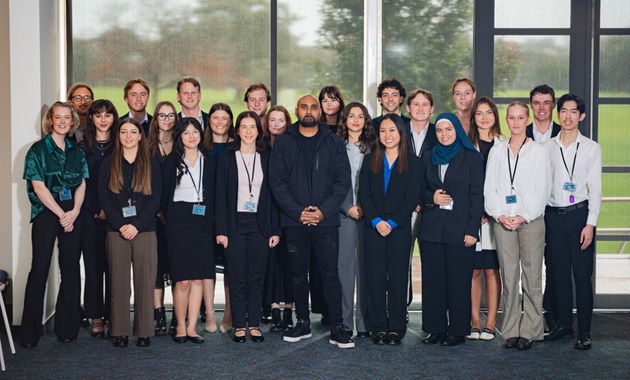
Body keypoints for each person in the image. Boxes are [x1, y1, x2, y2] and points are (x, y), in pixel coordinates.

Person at [269, 94, 354, 349]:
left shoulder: (334, 142)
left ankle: (338, 327)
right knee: (297, 274)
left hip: (326, 222)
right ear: (296, 110)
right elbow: (277, 183)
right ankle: (302, 323)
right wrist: (298, 213)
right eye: (304, 107)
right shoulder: (284, 142)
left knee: (330, 273)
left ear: (319, 112)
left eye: (313, 107)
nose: (309, 111)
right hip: (294, 222)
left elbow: (342, 182)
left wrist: (323, 212)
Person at [484, 101, 551, 350]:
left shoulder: (538, 151)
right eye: (511, 118)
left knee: (532, 277)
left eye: (520, 118)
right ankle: (511, 329)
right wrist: (500, 215)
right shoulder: (497, 151)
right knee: (509, 277)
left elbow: (541, 189)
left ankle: (532, 330)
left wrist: (522, 216)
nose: (515, 122)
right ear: (507, 120)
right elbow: (489, 187)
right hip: (502, 222)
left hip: (530, 221)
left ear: (527, 119)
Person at [21, 101, 88, 348]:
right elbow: (39, 187)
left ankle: (67, 329)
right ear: (50, 120)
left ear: (72, 122)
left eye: (66, 118)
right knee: (39, 269)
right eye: (57, 117)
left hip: (72, 212)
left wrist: (75, 211)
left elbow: (81, 183)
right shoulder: (37, 150)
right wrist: (62, 214)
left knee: (70, 269)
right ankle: (29, 334)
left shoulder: (76, 150)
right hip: (47, 213)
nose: (62, 121)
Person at [418, 112, 484, 347]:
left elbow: (477, 196)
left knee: (458, 282)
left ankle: (458, 330)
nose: (443, 134)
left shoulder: (471, 158)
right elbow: (419, 190)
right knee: (433, 283)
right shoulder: (427, 157)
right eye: (439, 130)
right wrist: (431, 196)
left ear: (457, 130)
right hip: (431, 230)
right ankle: (435, 329)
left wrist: (472, 230)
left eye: (448, 129)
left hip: (460, 230)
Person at [215, 111, 280, 343]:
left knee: (256, 277)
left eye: (253, 127)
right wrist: (221, 230)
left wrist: (274, 230)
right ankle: (239, 325)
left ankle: (254, 324)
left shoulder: (267, 157)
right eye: (244, 127)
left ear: (258, 131)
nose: (249, 131)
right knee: (237, 276)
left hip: (260, 224)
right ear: (237, 130)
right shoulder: (226, 157)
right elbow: (220, 196)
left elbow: (273, 197)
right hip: (235, 224)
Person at [543, 94, 601, 350]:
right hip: (553, 217)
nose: (567, 116)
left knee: (582, 277)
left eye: (573, 112)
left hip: (580, 216)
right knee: (559, 275)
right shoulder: (546, 147)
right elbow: (541, 187)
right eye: (563, 111)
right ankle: (564, 325)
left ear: (582, 116)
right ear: (558, 114)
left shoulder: (591, 148)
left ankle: (584, 332)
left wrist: (591, 223)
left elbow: (595, 189)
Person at [98, 118, 161, 348]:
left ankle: (144, 331)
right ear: (119, 136)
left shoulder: (151, 162)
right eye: (123, 132)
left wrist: (136, 225)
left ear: (140, 136)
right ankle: (119, 331)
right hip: (116, 230)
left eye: (133, 132)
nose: (128, 136)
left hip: (144, 230)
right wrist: (120, 224)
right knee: (118, 282)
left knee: (145, 281)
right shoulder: (108, 163)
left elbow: (156, 199)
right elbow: (104, 197)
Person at [359, 113, 421, 345]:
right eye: (383, 131)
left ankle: (396, 327)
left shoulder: (414, 162)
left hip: (399, 227)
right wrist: (376, 221)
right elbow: (364, 194)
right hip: (373, 227)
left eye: (392, 130)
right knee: (374, 278)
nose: (387, 135)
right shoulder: (370, 160)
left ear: (400, 133)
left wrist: (392, 222)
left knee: (397, 278)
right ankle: (378, 327)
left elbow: (412, 197)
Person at [162, 118, 215, 344]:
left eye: (195, 132)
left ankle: (193, 327)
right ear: (179, 137)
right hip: (178, 221)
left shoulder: (210, 162)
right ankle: (180, 326)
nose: (191, 136)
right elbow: (163, 198)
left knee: (197, 280)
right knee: (182, 279)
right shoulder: (170, 162)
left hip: (203, 222)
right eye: (186, 133)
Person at [466, 97, 506, 341]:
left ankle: (491, 322)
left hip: (496, 216)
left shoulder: (504, 144)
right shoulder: (465, 144)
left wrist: (491, 210)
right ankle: (475, 321)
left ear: (495, 116)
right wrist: (476, 211)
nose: (483, 117)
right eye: (479, 113)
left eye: (488, 112)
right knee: (473, 271)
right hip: (472, 216)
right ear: (473, 118)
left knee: (492, 270)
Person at [79, 99, 120, 338]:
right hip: (89, 215)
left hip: (115, 216)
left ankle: (114, 316)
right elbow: (80, 183)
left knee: (115, 269)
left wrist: (109, 209)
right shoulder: (83, 147)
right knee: (93, 269)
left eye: (107, 115)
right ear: (92, 118)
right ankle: (95, 317)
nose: (103, 119)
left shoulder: (120, 145)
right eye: (98, 115)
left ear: (114, 118)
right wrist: (95, 208)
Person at [337, 102, 376, 338]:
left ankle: (363, 323)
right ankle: (344, 322)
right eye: (351, 116)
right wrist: (347, 207)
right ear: (345, 119)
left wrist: (366, 208)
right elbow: (330, 182)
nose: (355, 120)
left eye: (360, 116)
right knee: (344, 270)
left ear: (365, 120)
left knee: (365, 269)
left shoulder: (374, 147)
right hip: (344, 215)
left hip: (368, 215)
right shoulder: (335, 146)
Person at [526, 84, 561, 333]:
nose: (541, 107)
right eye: (536, 103)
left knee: (554, 265)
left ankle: (551, 314)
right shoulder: (520, 133)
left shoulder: (564, 132)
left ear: (553, 105)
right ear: (531, 106)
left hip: (556, 207)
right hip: (528, 208)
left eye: (546, 102)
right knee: (530, 265)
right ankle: (530, 315)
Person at [202, 102, 235, 334]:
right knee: (206, 267)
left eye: (225, 118)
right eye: (216, 118)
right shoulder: (200, 147)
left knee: (232, 266)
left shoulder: (239, 147)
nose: (220, 122)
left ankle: (229, 315)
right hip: (204, 215)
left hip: (232, 215)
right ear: (209, 121)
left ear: (231, 121)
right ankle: (210, 314)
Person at [404, 88, 437, 318]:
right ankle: (401, 308)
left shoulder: (440, 133)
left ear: (432, 109)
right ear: (408, 108)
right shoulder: (397, 131)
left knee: (431, 263)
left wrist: (423, 198)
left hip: (431, 208)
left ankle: (432, 314)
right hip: (403, 207)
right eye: (416, 104)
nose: (420, 108)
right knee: (400, 261)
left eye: (425, 104)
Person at [261, 105, 294, 332]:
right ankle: (273, 308)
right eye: (272, 120)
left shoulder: (293, 147)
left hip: (290, 211)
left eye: (280, 120)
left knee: (291, 264)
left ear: (287, 122)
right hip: (266, 210)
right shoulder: (260, 148)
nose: (276, 124)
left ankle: (289, 311)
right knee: (271, 264)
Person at [147, 101, 178, 336]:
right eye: (161, 115)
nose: (166, 119)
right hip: (152, 216)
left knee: (177, 266)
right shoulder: (145, 147)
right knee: (156, 267)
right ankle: (158, 313)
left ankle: (178, 315)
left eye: (170, 115)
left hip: (178, 217)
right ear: (155, 119)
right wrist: (158, 210)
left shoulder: (182, 144)